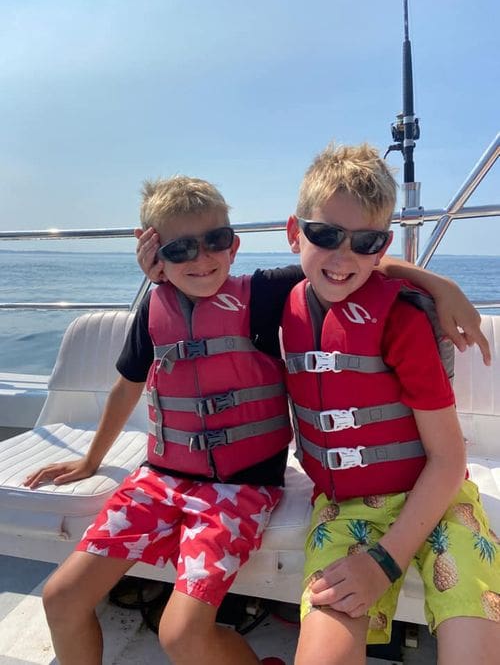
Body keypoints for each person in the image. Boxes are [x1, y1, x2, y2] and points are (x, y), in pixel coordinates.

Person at [25, 176, 296, 665]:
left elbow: (348, 266)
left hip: (241, 486)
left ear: (234, 245)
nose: (201, 258)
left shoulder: (264, 294)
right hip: (160, 480)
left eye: (215, 241)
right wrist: (91, 460)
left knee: (182, 636)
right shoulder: (153, 306)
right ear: (152, 251)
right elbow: (126, 386)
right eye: (180, 247)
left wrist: (438, 286)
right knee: (60, 598)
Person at [279, 143, 500, 665]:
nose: (343, 256)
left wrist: (384, 561)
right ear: (294, 234)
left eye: (366, 242)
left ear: (382, 247)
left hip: (439, 500)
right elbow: (194, 282)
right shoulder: (274, 300)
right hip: (343, 507)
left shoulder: (400, 322)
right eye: (326, 235)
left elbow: (448, 461)